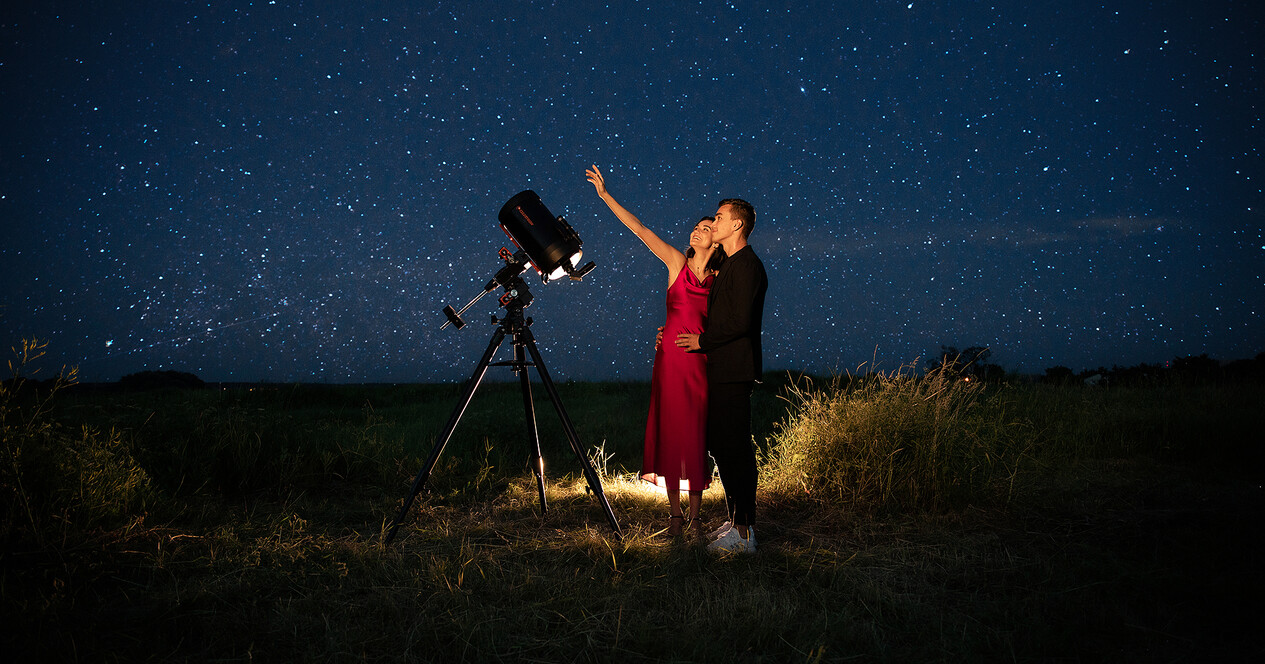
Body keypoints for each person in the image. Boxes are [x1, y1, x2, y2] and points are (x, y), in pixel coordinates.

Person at [586, 165, 724, 537]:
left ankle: (697, 519)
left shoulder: (718, 280)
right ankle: (676, 518)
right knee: (670, 433)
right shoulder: (676, 263)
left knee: (694, 437)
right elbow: (641, 230)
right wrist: (605, 195)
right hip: (669, 363)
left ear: (718, 240)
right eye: (696, 226)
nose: (697, 230)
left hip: (699, 364)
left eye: (707, 228)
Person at [675, 198, 767, 553]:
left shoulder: (747, 265)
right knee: (724, 448)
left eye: (719, 217)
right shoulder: (730, 264)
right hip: (721, 369)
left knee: (735, 450)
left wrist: (702, 340)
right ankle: (737, 524)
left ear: (737, 226)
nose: (714, 222)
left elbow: (739, 321)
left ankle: (745, 534)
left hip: (733, 370)